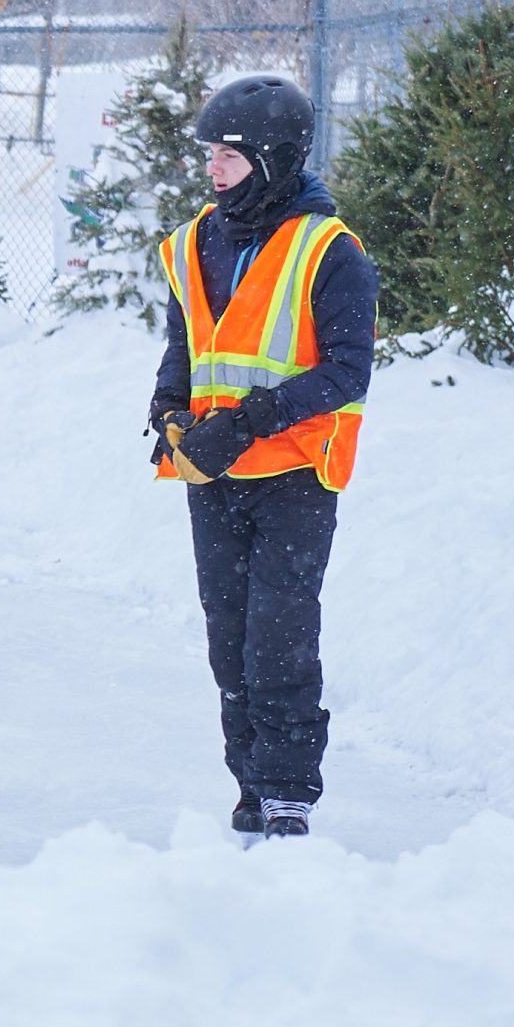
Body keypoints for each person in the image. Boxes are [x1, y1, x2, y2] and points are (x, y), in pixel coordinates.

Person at [148, 75, 377, 841]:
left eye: (228, 156)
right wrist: (168, 406)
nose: (212, 169)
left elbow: (347, 370)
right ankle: (249, 783)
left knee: (277, 634)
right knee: (227, 638)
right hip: (212, 474)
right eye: (210, 154)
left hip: (295, 477)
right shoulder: (194, 241)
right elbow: (189, 341)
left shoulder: (330, 252)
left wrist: (247, 423)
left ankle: (287, 792)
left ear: (274, 160)